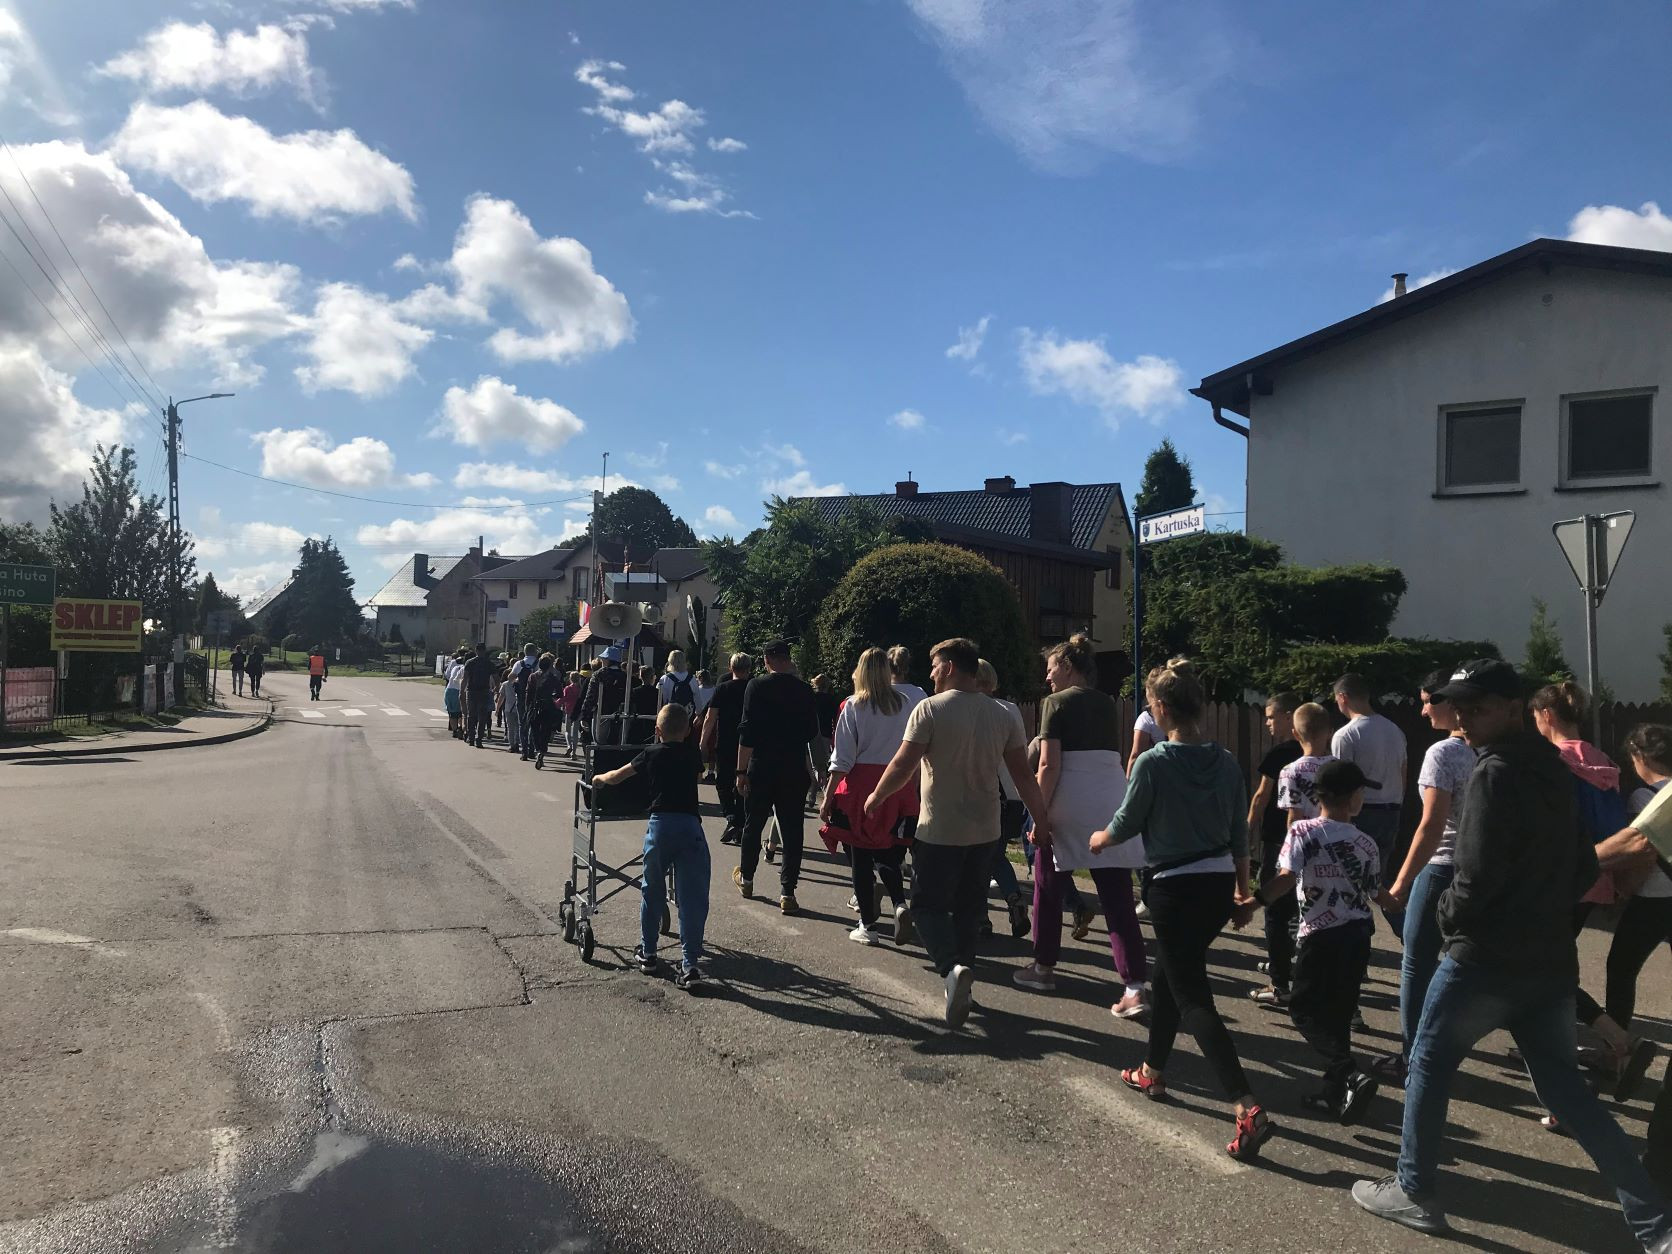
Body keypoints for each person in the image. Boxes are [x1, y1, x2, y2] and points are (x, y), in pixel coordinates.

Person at [1352, 659, 1672, 1248]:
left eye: (1477, 707)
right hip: (1549, 960)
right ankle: (1657, 1227)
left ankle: (1415, 1191)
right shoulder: (1553, 769)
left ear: (1514, 708)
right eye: (1459, 707)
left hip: (1483, 959)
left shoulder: (1493, 772)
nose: (1464, 718)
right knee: (1567, 1091)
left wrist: (1449, 920)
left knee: (1427, 1062)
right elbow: (1582, 865)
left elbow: (1472, 877)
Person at [1089, 661, 1273, 1163]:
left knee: (1192, 995)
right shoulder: (1226, 762)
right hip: (1215, 887)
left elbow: (1127, 821)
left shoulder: (1154, 762)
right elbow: (1239, 833)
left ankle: (1246, 1106)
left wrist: (1099, 839)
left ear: (1162, 708)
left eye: (1150, 705)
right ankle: (1152, 1071)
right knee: (1169, 976)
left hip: (1173, 888)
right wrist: (1242, 891)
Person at [866, 638, 1049, 1028]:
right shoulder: (1004, 714)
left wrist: (876, 797)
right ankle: (962, 981)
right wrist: (1041, 820)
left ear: (949, 667)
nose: (931, 673)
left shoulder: (930, 709)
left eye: (935, 666)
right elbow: (1022, 775)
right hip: (986, 830)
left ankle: (951, 968)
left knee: (925, 906)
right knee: (970, 909)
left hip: (939, 829)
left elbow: (903, 765)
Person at [1013, 635, 1149, 1020]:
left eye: (1051, 668)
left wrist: (1038, 815)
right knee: (1117, 897)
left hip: (1069, 799)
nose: (1047, 676)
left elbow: (1049, 764)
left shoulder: (1055, 703)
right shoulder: (1105, 703)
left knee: (1047, 885)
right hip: (1109, 797)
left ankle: (1043, 967)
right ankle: (1134, 985)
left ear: (1068, 666)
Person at [1531, 682, 1657, 1102]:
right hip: (1594, 878)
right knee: (1551, 967)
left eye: (1535, 716)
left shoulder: (1553, 762)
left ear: (1547, 715)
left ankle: (1597, 1053)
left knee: (1541, 972)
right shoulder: (1603, 763)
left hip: (1557, 879)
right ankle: (1608, 1044)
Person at [1258, 759, 1388, 1123]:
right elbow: (1374, 892)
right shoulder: (1366, 842)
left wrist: (1255, 901)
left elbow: (1286, 878)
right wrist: (1397, 900)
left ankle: (1347, 1072)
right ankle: (1335, 1093)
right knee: (1339, 1013)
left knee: (1302, 1009)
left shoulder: (1302, 831)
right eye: (1361, 792)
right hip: (1358, 935)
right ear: (1352, 797)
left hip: (1320, 936)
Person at [1373, 671, 1476, 1082]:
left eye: (1429, 701)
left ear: (1452, 701)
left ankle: (1412, 1058)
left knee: (1417, 961)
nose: (1423, 710)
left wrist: (1401, 883)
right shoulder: (1490, 751)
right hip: (1480, 868)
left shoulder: (1443, 753)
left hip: (1441, 868)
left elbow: (1432, 825)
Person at [594, 704, 710, 990]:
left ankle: (648, 953)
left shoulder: (651, 753)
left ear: (657, 731)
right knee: (692, 897)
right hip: (690, 826)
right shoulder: (692, 754)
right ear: (687, 730)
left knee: (652, 889)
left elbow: (619, 775)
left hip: (660, 826)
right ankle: (690, 965)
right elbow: (698, 775)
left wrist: (599, 779)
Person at [819, 647, 918, 946]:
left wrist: (827, 798)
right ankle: (899, 902)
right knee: (887, 849)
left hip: (861, 785)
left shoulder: (853, 706)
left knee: (860, 857)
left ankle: (868, 924)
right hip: (898, 782)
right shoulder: (904, 704)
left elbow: (842, 758)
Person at [1249, 701, 1335, 1008]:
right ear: (1329, 731)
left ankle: (1280, 982)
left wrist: (1289, 853)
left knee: (1278, 913)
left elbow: (1293, 818)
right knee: (1320, 917)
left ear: (1296, 732)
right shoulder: (1339, 767)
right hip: (1332, 851)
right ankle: (1328, 989)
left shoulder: (1290, 769)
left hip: (1294, 849)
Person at [734, 640, 819, 914]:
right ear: (787, 658)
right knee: (792, 830)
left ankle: (747, 878)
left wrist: (740, 771)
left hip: (762, 764)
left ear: (767, 659)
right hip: (792, 766)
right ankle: (787, 892)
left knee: (754, 823)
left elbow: (747, 732)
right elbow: (811, 731)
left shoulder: (756, 687)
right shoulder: (804, 690)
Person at [1331, 673, 1409, 888]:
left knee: (1350, 880)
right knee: (1378, 880)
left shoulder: (1346, 735)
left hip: (1361, 813)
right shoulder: (1395, 730)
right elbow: (1403, 771)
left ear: (1343, 697)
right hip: (1391, 811)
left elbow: (1341, 780)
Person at [975, 659, 1030, 939]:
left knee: (976, 856)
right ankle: (1013, 897)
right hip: (1014, 796)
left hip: (988, 794)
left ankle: (981, 917)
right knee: (995, 854)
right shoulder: (1011, 710)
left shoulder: (976, 710)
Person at [704, 653, 753, 845]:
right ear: (749, 669)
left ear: (731, 668)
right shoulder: (753, 688)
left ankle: (730, 815)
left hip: (725, 741)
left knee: (723, 782)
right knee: (743, 782)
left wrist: (702, 742)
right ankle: (739, 821)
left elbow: (710, 717)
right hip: (748, 743)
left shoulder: (722, 688)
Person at [580, 646, 628, 745]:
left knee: (600, 743)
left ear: (608, 660)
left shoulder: (599, 674)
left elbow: (591, 696)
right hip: (621, 714)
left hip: (602, 713)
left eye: (604, 658)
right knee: (617, 744)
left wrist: (584, 716)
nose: (602, 660)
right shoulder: (625, 676)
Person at [526, 653, 562, 768]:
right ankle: (542, 750)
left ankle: (538, 749)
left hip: (535, 706)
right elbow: (560, 693)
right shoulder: (553, 678)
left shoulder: (533, 677)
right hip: (548, 707)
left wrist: (527, 707)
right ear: (550, 666)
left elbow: (529, 693)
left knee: (534, 730)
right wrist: (552, 695)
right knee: (545, 731)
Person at [810, 673, 840, 806]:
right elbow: (836, 719)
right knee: (822, 765)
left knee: (816, 766)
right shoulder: (832, 700)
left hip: (813, 734)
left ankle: (816, 793)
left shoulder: (812, 698)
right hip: (826, 734)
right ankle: (822, 792)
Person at [509, 643, 540, 760]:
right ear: (534, 651)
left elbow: (511, 677)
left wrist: (517, 681)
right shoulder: (538, 663)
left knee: (522, 724)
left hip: (521, 697)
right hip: (534, 698)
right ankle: (532, 750)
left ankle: (524, 752)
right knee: (533, 723)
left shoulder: (519, 663)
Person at [461, 643, 495, 748]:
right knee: (482, 717)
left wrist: (461, 691)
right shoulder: (489, 663)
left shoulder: (470, 662)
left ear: (476, 650)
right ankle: (479, 739)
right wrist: (496, 689)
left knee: (471, 715)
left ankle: (471, 738)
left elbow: (465, 678)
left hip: (471, 691)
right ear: (484, 651)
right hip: (484, 691)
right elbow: (496, 678)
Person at [692, 668, 717, 781]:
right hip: (712, 720)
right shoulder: (715, 690)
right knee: (712, 746)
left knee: (698, 745)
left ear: (700, 678)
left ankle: (699, 773)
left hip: (698, 720)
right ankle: (711, 772)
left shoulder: (697, 690)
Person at [499, 663, 523, 756]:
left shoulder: (505, 684)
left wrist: (497, 708)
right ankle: (517, 743)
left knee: (510, 728)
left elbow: (501, 696)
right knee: (518, 727)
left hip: (508, 708)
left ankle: (512, 745)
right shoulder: (519, 685)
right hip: (518, 707)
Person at [444, 648, 467, 738]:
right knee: (462, 712)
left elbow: (447, 675)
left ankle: (454, 730)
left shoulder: (454, 664)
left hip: (450, 689)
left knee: (452, 713)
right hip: (462, 690)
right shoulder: (467, 667)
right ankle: (460, 728)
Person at [561, 671, 583, 758]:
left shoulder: (567, 688)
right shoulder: (580, 689)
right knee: (575, 732)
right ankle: (574, 753)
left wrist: (558, 705)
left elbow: (563, 699)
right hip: (577, 711)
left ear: (570, 679)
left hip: (569, 710)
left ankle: (569, 745)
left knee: (567, 731)